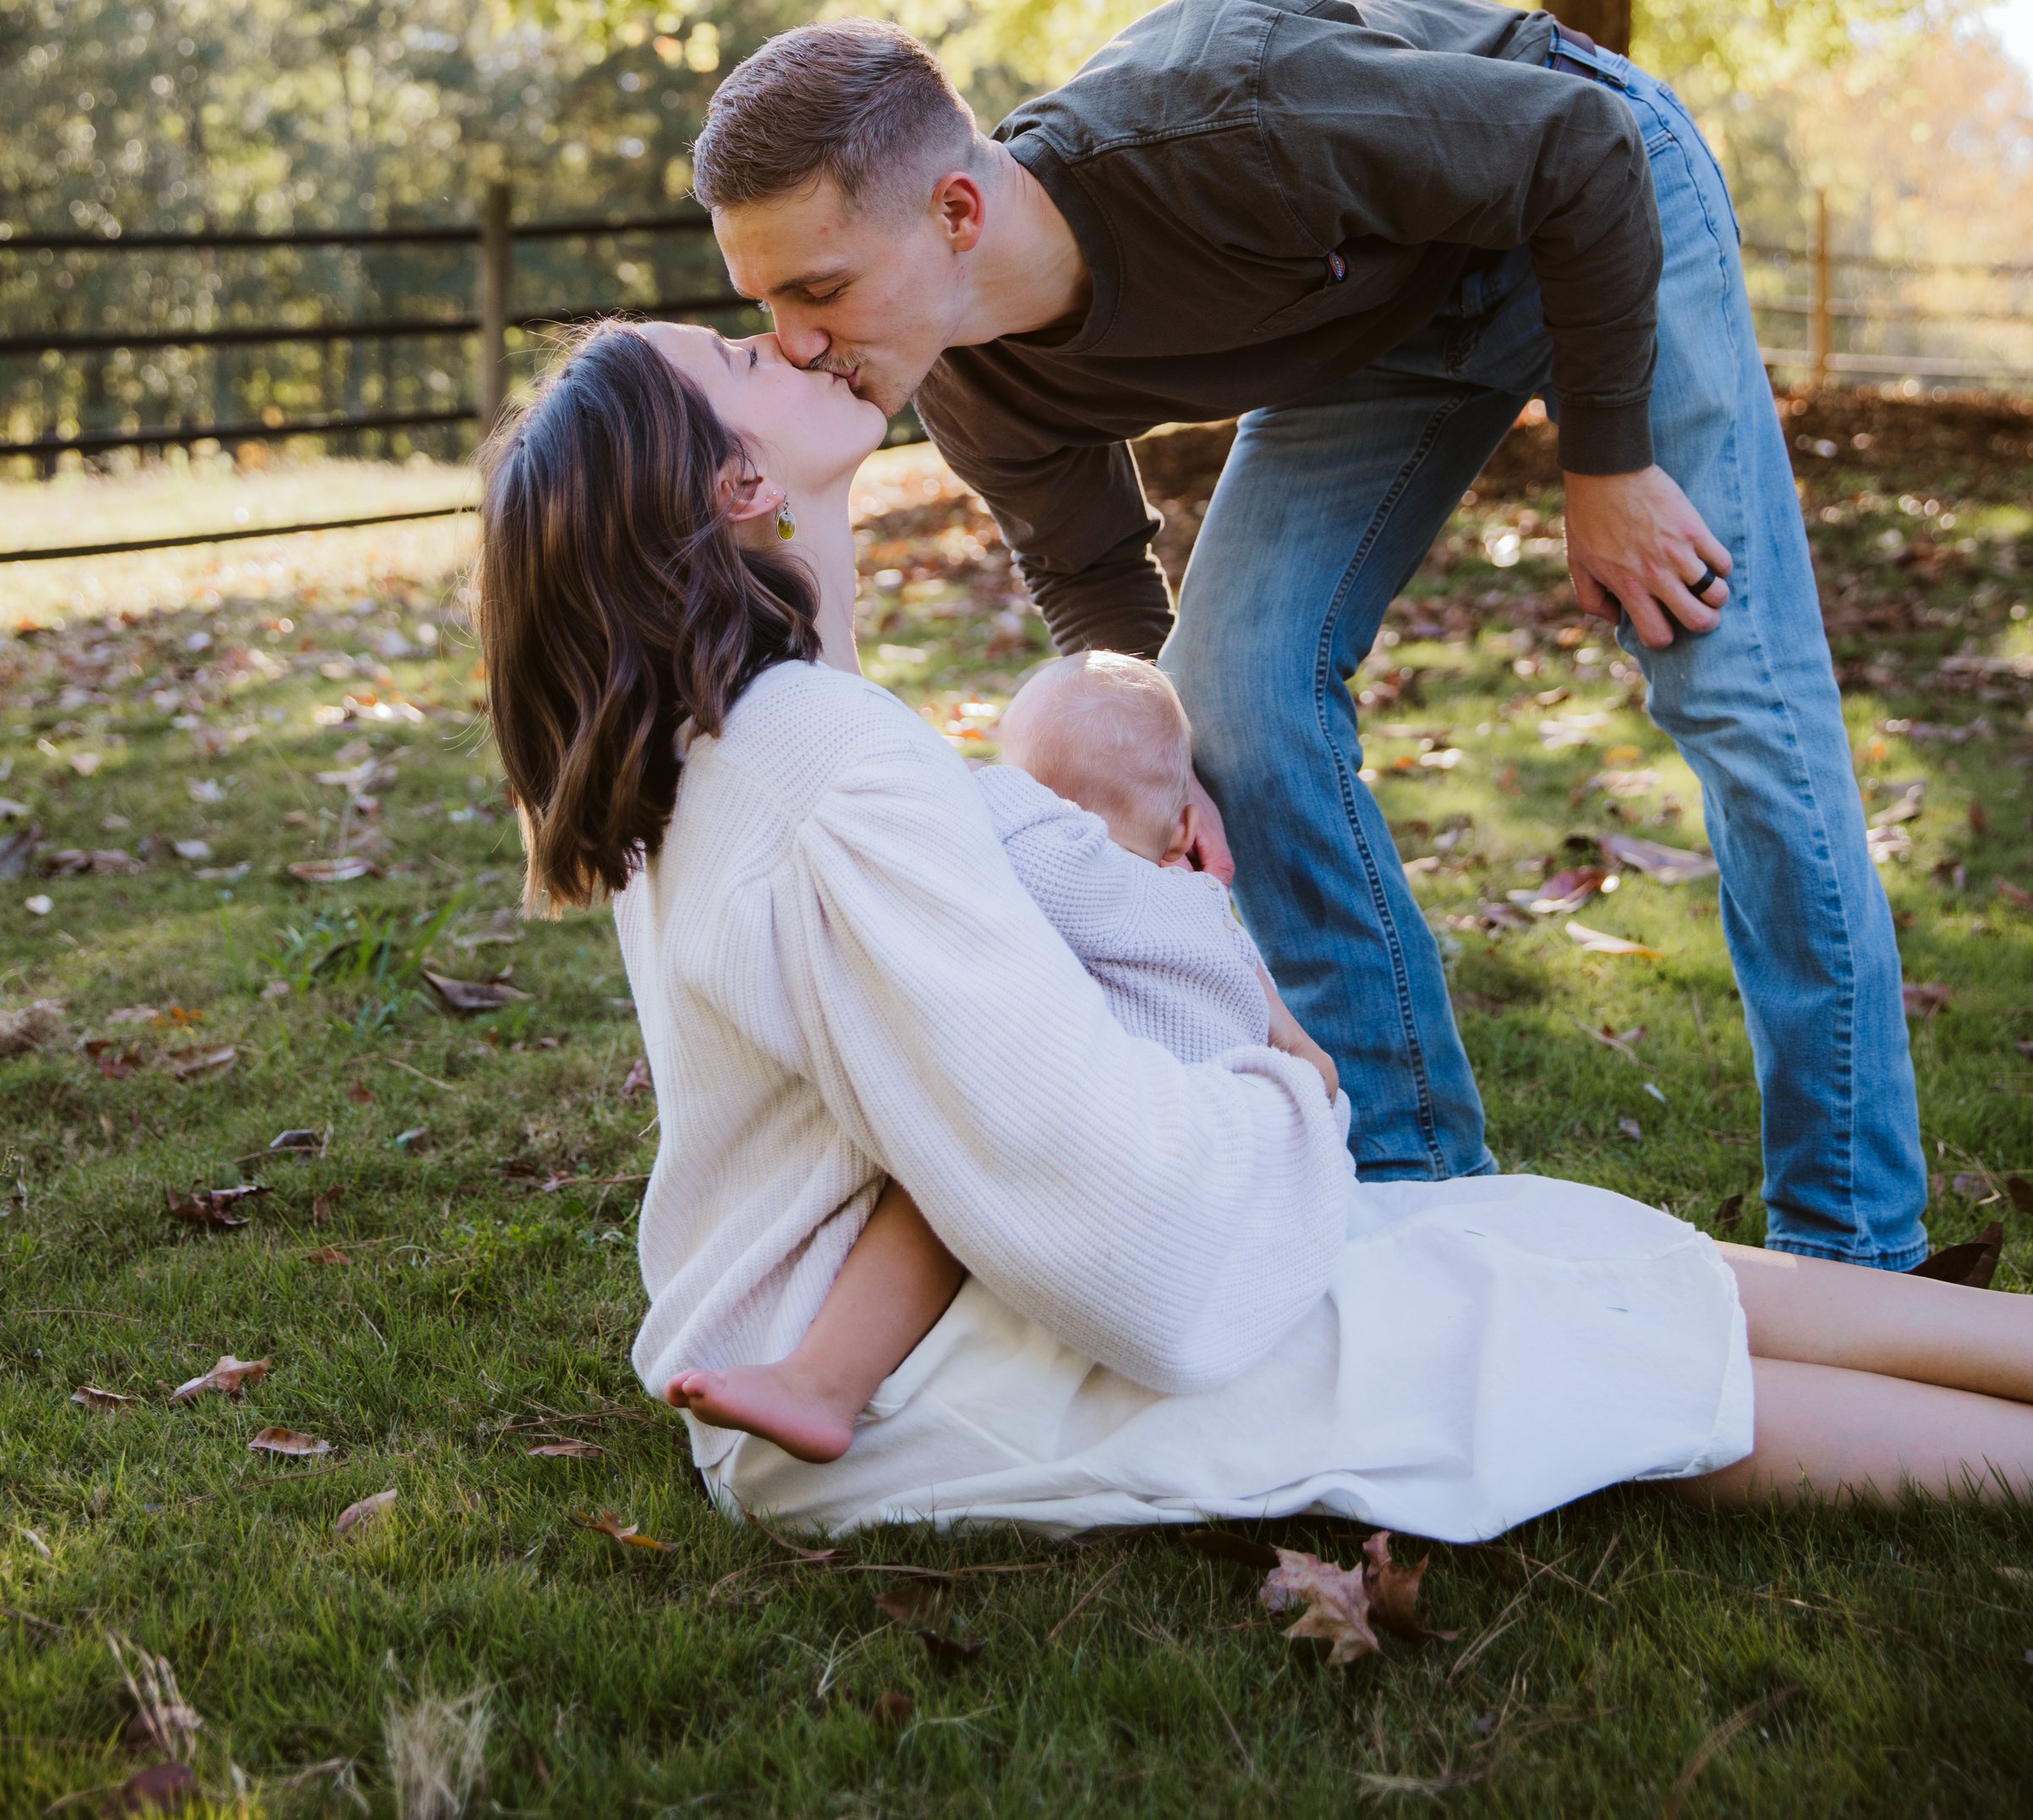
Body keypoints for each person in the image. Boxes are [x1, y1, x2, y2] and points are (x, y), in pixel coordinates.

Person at [472, 315, 2033, 1540]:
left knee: (1552, 1238)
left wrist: (1129, 899)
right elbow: (1147, 1239)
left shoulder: (740, 743)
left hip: (913, 1318)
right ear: (738, 487)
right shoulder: (817, 768)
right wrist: (1287, 1076)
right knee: (1540, 1347)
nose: (795, 336)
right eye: (749, 358)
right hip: (926, 1392)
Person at [691, 0, 1930, 1272]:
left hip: (1588, 199)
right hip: (1371, 330)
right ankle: (1416, 1191)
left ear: (957, 211)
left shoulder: (1226, 129)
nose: (796, 344)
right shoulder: (963, 375)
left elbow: (1578, 150)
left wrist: (1608, 463)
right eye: (766, 301)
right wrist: (1156, 791)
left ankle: (1857, 1244)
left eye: (819, 287)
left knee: (1735, 687)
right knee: (1228, 690)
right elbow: (1108, 603)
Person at [659, 652, 1343, 1461]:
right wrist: (1309, 1110)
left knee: (945, 1171)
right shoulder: (1213, 924)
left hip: (1116, 1154)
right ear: (1190, 832)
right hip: (1209, 1152)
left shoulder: (1062, 860)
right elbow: (1305, 1059)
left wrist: (985, 780)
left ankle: (823, 1381)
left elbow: (963, 823)